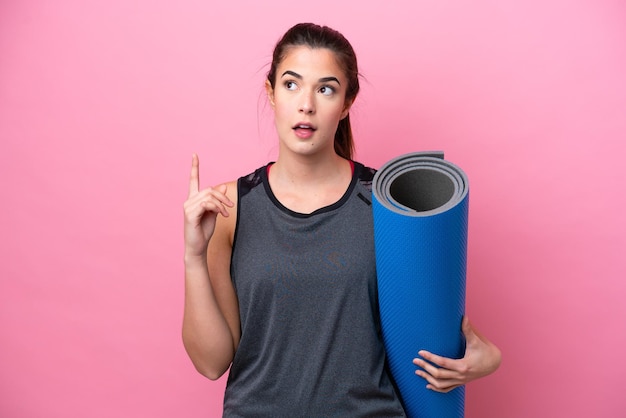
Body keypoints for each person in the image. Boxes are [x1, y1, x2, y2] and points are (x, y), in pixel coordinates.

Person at [182, 22, 501, 416]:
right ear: (271, 93)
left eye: (326, 89)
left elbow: (429, 316)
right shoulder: (230, 206)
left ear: (347, 102)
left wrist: (487, 359)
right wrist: (194, 256)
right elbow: (211, 363)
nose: (307, 105)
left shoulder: (384, 201)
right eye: (291, 84)